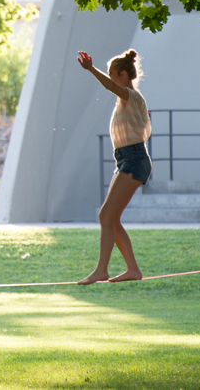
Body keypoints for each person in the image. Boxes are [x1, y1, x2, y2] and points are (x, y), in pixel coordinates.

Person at [76, 48, 152, 285]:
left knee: (106, 215)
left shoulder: (130, 95)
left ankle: (101, 270)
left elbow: (111, 87)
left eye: (111, 75)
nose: (110, 80)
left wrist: (91, 69)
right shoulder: (128, 100)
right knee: (111, 217)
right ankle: (133, 269)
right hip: (126, 159)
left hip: (134, 158)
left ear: (120, 74)